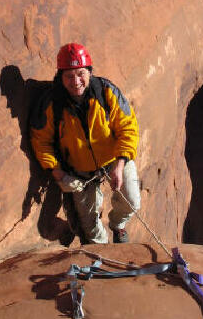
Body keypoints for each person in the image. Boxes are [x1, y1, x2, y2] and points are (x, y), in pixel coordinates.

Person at [30, 43, 141, 244]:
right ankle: (103, 251)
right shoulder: (52, 104)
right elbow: (41, 141)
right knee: (90, 229)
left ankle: (117, 225)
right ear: (60, 77)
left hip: (112, 160)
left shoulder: (106, 92)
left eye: (81, 73)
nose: (76, 81)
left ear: (89, 72)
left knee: (132, 202)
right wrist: (59, 173)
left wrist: (120, 163)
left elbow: (128, 127)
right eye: (69, 76)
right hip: (79, 172)